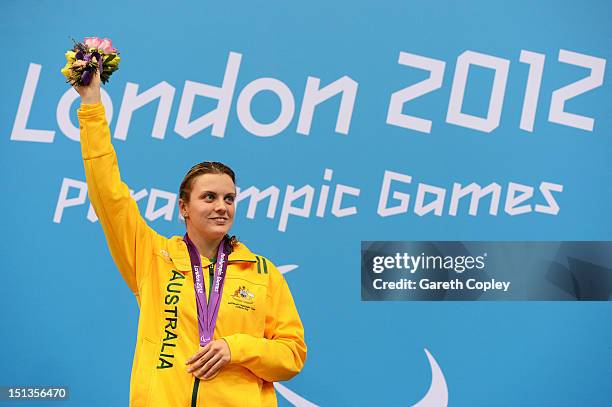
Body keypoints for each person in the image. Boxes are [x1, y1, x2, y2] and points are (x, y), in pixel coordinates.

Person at [73, 60, 307, 406]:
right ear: (184, 207)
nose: (221, 207)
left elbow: (292, 355)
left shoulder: (262, 273)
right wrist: (91, 104)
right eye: (209, 197)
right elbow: (109, 194)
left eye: (229, 198)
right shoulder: (152, 256)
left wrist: (235, 347)